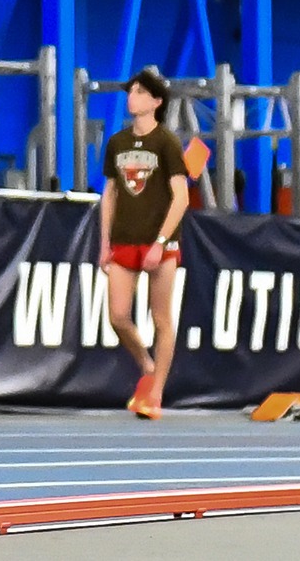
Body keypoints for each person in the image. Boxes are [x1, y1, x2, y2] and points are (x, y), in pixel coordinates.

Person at [99, 69, 190, 420]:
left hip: (160, 243)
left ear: (156, 101)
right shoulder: (118, 143)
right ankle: (146, 365)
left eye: (139, 92)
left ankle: (155, 394)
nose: (131, 97)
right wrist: (104, 242)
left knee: (161, 318)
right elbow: (110, 194)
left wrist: (161, 242)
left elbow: (180, 197)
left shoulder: (166, 142)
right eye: (130, 91)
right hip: (124, 239)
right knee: (118, 315)